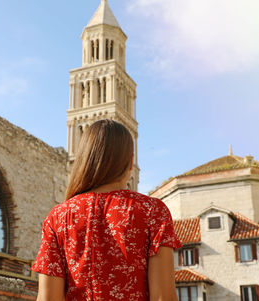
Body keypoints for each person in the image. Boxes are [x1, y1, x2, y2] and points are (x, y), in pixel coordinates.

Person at [31, 119, 182, 301]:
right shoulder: (153, 212)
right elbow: (163, 297)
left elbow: (48, 299)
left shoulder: (58, 218)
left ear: (84, 160)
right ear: (130, 161)